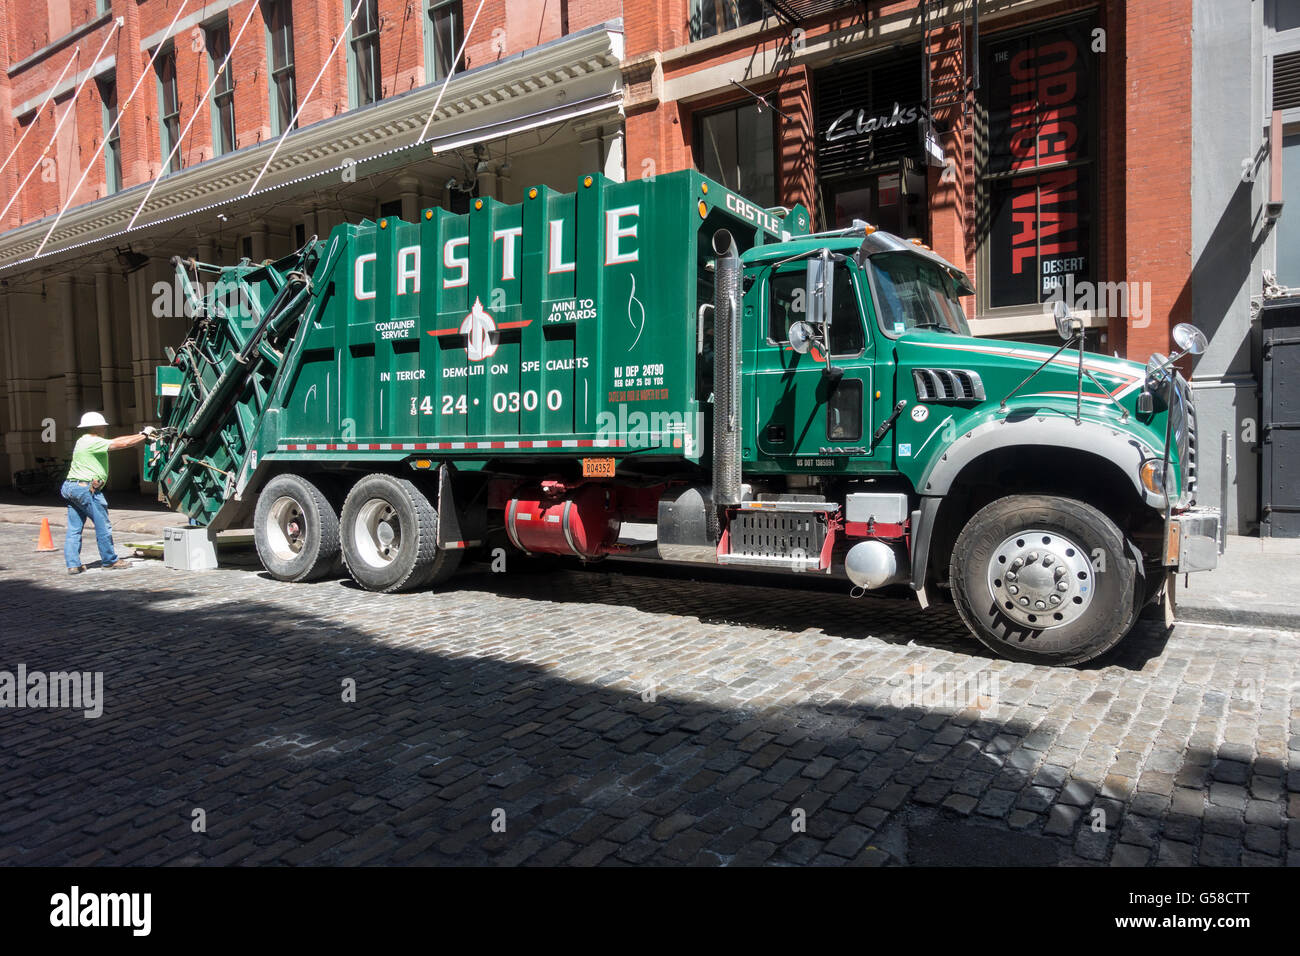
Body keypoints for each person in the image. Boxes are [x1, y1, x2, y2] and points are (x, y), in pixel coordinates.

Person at [61, 412, 157, 574]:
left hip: (71, 487)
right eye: (103, 426)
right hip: (86, 489)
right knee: (102, 525)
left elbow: (116, 441)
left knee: (74, 528)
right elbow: (122, 444)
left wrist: (140, 435)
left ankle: (73, 564)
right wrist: (144, 435)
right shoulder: (92, 441)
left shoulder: (82, 441)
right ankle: (109, 560)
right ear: (97, 427)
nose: (105, 428)